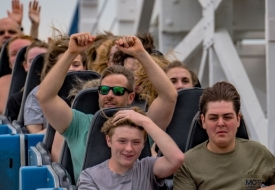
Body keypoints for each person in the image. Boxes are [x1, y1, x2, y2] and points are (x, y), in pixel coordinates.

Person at [38, 33, 177, 179]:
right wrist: (71, 52)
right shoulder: (78, 124)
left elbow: (169, 96)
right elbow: (45, 97)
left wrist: (140, 53)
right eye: (104, 90)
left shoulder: (141, 125)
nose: (110, 95)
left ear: (130, 97)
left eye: (118, 91)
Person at [173, 81, 275, 190]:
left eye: (227, 117)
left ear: (238, 119)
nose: (221, 123)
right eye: (213, 118)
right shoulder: (187, 162)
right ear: (203, 121)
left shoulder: (258, 152)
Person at [77, 109, 184, 190]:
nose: (129, 148)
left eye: (136, 142)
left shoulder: (147, 167)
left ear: (143, 144)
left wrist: (145, 121)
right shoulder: (89, 176)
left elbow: (177, 159)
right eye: (122, 141)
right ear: (109, 141)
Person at [24, 36, 84, 133]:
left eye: (76, 64)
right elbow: (34, 136)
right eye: (65, 65)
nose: (71, 69)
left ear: (84, 67)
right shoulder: (37, 94)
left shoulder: (91, 91)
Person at [0, 34, 33, 110]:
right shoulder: (3, 81)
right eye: (14, 54)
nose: (19, 56)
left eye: (24, 51)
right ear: (10, 63)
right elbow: (6, 113)